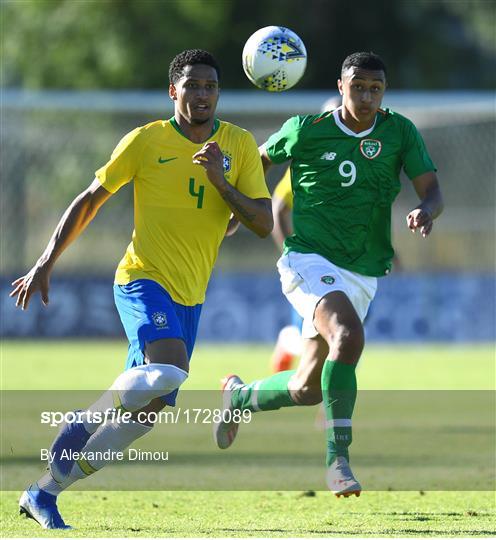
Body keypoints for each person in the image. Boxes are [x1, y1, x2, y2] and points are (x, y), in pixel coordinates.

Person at [10, 49, 272, 529]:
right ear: (173, 91)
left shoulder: (238, 144)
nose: (202, 94)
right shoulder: (146, 141)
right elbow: (91, 199)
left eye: (210, 86)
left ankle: (42, 492)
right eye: (192, 85)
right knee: (170, 370)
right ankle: (86, 417)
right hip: (141, 278)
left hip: (190, 295)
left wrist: (220, 181)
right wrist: (46, 261)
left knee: (146, 412)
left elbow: (260, 222)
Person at [214, 51, 443, 497]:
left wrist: (425, 210)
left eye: (375, 88)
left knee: (307, 387)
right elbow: (257, 162)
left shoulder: (399, 131)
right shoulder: (306, 130)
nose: (367, 96)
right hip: (306, 258)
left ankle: (239, 397)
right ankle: (338, 462)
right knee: (348, 335)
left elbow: (431, 188)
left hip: (362, 270)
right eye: (358, 87)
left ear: (384, 91)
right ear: (341, 86)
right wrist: (242, 210)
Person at [270, 96, 342, 373]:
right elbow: (278, 208)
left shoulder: (361, 163)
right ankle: (288, 344)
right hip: (313, 265)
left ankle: (329, 409)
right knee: (322, 336)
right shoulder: (309, 162)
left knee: (343, 335)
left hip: (350, 262)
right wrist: (291, 252)